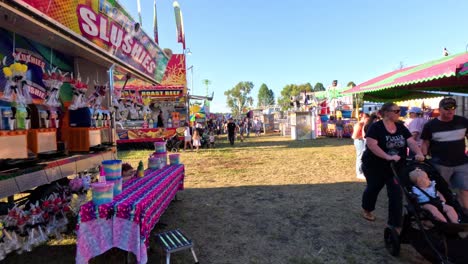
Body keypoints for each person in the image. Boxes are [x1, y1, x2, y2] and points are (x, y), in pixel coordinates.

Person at [361, 102, 424, 233]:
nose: (399, 113)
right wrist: (386, 156)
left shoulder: (401, 127)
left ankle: (395, 224)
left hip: (396, 166)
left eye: (399, 110)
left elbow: (410, 141)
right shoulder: (376, 127)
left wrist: (418, 152)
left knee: (396, 193)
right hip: (375, 165)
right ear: (386, 113)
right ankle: (367, 209)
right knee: (373, 188)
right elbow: (372, 145)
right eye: (396, 111)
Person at [421, 97, 468, 210]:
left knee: (465, 189)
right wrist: (424, 158)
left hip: (461, 162)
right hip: (440, 164)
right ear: (440, 109)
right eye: (446, 108)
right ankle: (444, 212)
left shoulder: (463, 121)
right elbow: (425, 143)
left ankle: (466, 212)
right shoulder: (430, 125)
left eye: (453, 108)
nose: (450, 110)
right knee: (441, 190)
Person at [352, 113, 369, 179]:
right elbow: (354, 136)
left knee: (362, 157)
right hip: (359, 141)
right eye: (367, 119)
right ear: (364, 118)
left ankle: (362, 171)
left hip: (362, 141)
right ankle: (359, 173)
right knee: (360, 157)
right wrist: (364, 137)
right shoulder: (359, 124)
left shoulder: (363, 124)